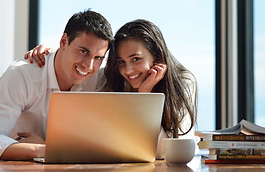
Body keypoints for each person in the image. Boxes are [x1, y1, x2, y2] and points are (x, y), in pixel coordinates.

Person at [26, 19, 197, 158]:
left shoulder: (183, 82)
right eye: (121, 62)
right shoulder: (113, 80)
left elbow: (173, 152)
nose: (128, 71)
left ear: (157, 56)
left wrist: (144, 96)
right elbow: (98, 141)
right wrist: (48, 55)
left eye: (136, 59)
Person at [0, 10, 113, 161]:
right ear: (64, 41)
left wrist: (49, 146)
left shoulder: (99, 80)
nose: (88, 65)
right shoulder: (23, 75)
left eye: (98, 58)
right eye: (83, 51)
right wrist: (42, 150)